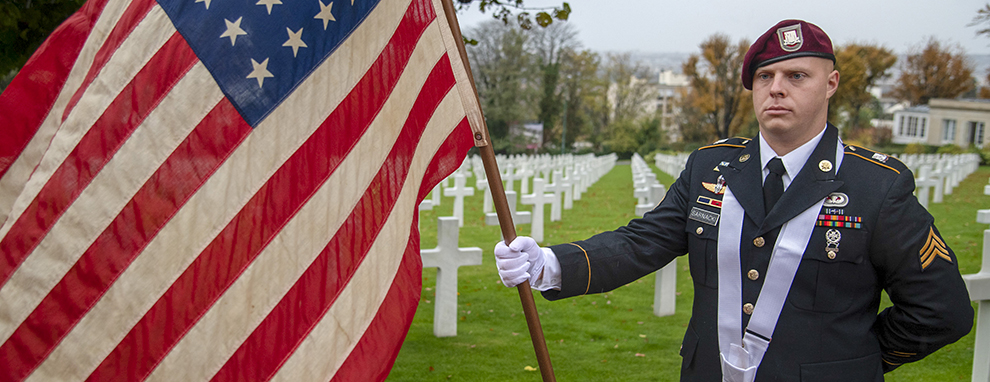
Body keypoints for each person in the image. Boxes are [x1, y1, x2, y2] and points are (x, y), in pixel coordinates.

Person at [494, 19, 973, 382]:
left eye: (796, 75)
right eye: (764, 77)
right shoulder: (711, 167)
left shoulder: (876, 186)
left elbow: (941, 311)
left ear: (831, 84)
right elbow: (644, 241)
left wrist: (855, 358)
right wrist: (549, 264)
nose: (777, 88)